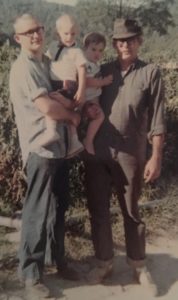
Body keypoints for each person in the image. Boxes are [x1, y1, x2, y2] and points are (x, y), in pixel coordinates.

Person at [82, 18, 165, 295]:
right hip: (98, 151)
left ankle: (139, 265)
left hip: (131, 152)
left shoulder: (150, 73)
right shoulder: (102, 71)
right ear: (114, 45)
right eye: (120, 41)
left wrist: (156, 157)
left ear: (139, 41)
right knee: (98, 209)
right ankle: (104, 262)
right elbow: (82, 96)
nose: (125, 45)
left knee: (131, 211)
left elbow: (157, 119)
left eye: (130, 39)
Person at [9, 14, 81, 298]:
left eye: (38, 29)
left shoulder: (45, 63)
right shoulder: (23, 69)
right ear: (18, 39)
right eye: (28, 33)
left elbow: (63, 88)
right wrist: (73, 116)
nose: (36, 35)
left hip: (59, 148)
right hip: (40, 149)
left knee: (58, 206)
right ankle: (30, 274)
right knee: (37, 211)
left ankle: (57, 261)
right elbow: (48, 109)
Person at [45, 13, 87, 157]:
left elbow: (82, 70)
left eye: (73, 33)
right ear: (58, 33)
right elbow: (46, 61)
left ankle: (51, 131)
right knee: (57, 107)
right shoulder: (52, 46)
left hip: (67, 84)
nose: (70, 37)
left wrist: (81, 90)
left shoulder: (76, 51)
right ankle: (73, 141)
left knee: (52, 103)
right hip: (54, 82)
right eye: (66, 33)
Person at [82, 32, 113, 154]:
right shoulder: (86, 64)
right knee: (99, 116)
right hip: (87, 98)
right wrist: (103, 82)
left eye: (100, 51)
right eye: (93, 49)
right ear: (85, 48)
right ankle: (88, 141)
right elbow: (86, 81)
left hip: (93, 98)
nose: (97, 53)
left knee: (97, 117)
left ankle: (88, 139)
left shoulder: (94, 65)